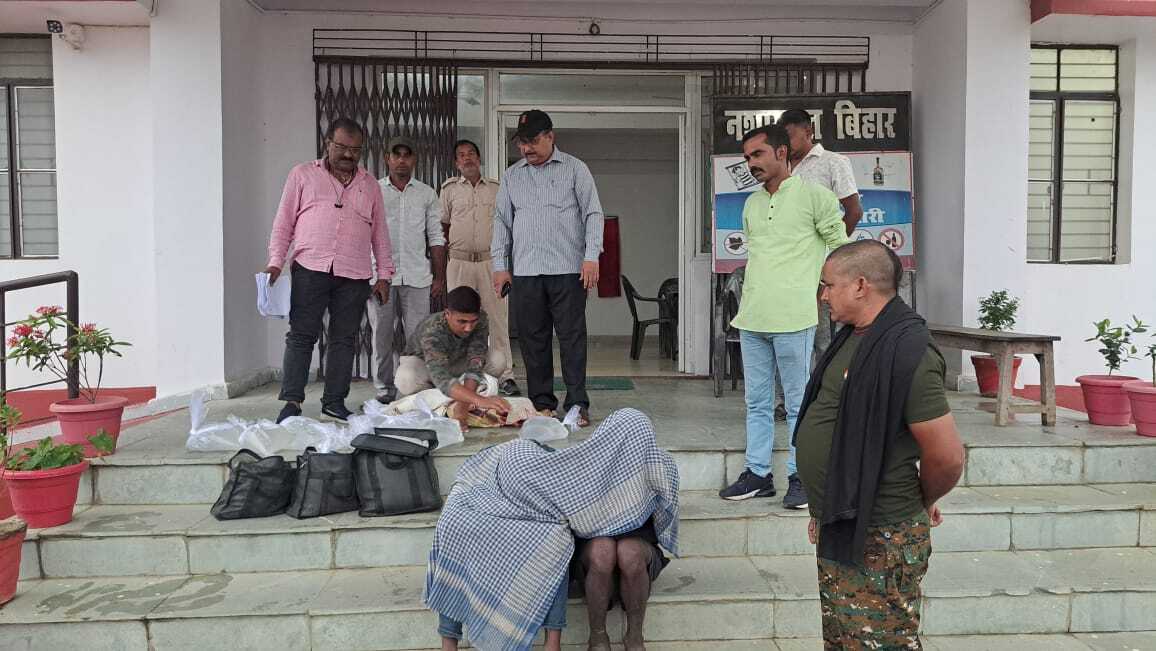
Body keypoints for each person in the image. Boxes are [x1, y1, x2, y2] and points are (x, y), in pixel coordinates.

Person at [796, 239, 964, 649]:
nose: (822, 295)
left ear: (860, 286)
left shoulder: (909, 352)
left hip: (882, 533)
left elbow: (947, 457)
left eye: (828, 285)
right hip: (844, 522)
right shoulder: (854, 338)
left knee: (883, 642)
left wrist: (921, 499)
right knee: (844, 638)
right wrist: (824, 504)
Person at [426, 408, 678, 651]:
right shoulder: (590, 463)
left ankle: (634, 636)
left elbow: (665, 521)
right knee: (601, 549)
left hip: (639, 551)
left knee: (629, 551)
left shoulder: (657, 465)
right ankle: (598, 637)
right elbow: (573, 515)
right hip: (594, 554)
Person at [719, 123, 849, 506]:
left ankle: (800, 476)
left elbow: (840, 248)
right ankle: (757, 474)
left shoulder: (815, 197)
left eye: (757, 154)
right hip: (752, 317)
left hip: (794, 316)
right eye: (747, 157)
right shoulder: (752, 204)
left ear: (781, 152)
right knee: (757, 403)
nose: (751, 163)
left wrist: (828, 289)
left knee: (797, 404)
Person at [265, 117, 393, 423]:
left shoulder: (370, 185)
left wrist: (385, 275)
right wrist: (275, 262)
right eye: (342, 147)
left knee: (344, 340)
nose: (348, 154)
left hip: (355, 273)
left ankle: (334, 402)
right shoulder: (302, 175)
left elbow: (380, 233)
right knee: (301, 335)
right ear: (328, 144)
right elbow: (283, 222)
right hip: (311, 267)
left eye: (355, 150)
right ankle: (292, 402)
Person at [771, 109, 867, 507]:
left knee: (824, 337)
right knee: (792, 338)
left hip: (823, 269)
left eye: (790, 135)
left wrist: (833, 260)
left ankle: (827, 399)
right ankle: (790, 400)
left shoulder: (831, 163)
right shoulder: (783, 169)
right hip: (790, 271)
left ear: (807, 131)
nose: (786, 142)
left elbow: (853, 210)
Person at [491, 109, 604, 426]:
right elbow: (501, 222)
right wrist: (500, 266)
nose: (526, 148)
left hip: (568, 270)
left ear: (550, 136)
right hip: (526, 271)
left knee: (572, 339)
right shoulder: (512, 176)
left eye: (532, 141)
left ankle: (577, 404)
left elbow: (593, 214)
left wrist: (591, 257)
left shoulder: (575, 169)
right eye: (521, 143)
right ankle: (542, 403)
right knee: (532, 340)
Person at [440, 139, 520, 398]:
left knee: (497, 319)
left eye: (471, 154)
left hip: (490, 263)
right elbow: (443, 227)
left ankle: (506, 375)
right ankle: (462, 376)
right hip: (459, 263)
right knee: (460, 320)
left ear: (479, 158)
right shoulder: (449, 190)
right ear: (456, 162)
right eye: (461, 155)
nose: (467, 158)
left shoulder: (496, 188)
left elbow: (507, 225)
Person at [372, 136, 447, 405]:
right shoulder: (374, 190)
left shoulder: (426, 194)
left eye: (407, 155)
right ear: (387, 158)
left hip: (417, 276)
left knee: (417, 338)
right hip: (381, 277)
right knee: (381, 336)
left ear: (414, 159)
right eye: (397, 154)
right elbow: (364, 232)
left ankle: (414, 391)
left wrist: (439, 277)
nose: (402, 160)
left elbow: (436, 236)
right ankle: (383, 389)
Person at [394, 286, 511, 422]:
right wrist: (479, 400)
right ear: (447, 314)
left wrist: (463, 406)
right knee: (406, 379)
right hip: (425, 366)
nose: (468, 328)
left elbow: (476, 360)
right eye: (462, 321)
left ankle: (458, 396)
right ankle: (446, 396)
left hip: (457, 361)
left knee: (497, 360)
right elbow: (441, 377)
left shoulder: (481, 318)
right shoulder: (432, 329)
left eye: (473, 321)